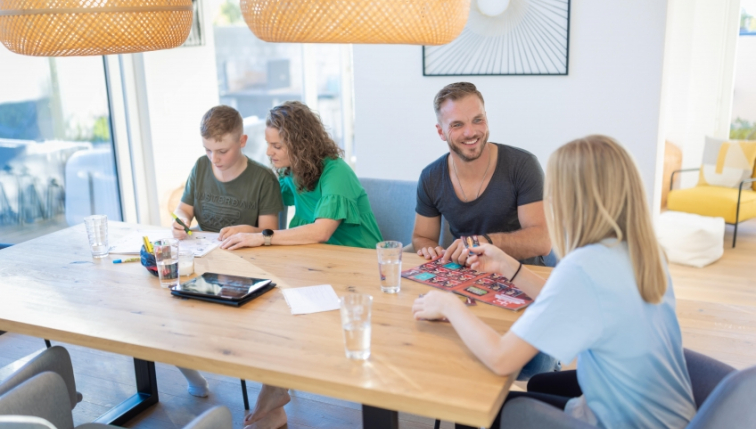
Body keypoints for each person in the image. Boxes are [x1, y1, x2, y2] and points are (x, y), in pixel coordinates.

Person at [412, 135, 697, 428]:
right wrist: (508, 265)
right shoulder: (642, 251)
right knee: (540, 385)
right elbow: (575, 299)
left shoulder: (583, 268)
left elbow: (500, 359)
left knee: (475, 406)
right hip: (671, 417)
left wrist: (448, 304)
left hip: (620, 422)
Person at [219, 101, 383, 429]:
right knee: (264, 308)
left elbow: (321, 231)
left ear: (301, 143)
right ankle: (274, 395)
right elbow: (267, 206)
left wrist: (263, 237)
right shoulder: (293, 173)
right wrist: (251, 228)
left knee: (279, 310)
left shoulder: (336, 172)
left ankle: (273, 394)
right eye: (267, 144)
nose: (269, 152)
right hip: (316, 270)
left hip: (359, 274)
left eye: (277, 145)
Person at [171, 105, 284, 398]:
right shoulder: (200, 167)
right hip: (203, 262)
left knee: (245, 325)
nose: (215, 158)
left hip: (247, 268)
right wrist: (181, 222)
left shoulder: (263, 179)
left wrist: (247, 230)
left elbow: (270, 232)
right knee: (169, 311)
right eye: (208, 150)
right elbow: (185, 209)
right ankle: (193, 375)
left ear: (242, 141)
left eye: (222, 150)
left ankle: (267, 386)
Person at [412, 82, 552, 267]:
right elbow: (421, 237)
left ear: (486, 118)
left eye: (477, 120)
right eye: (457, 124)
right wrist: (430, 248)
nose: (470, 132)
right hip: (464, 278)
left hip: (521, 281)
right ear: (441, 131)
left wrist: (482, 243)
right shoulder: (431, 177)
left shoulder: (523, 165)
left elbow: (542, 241)